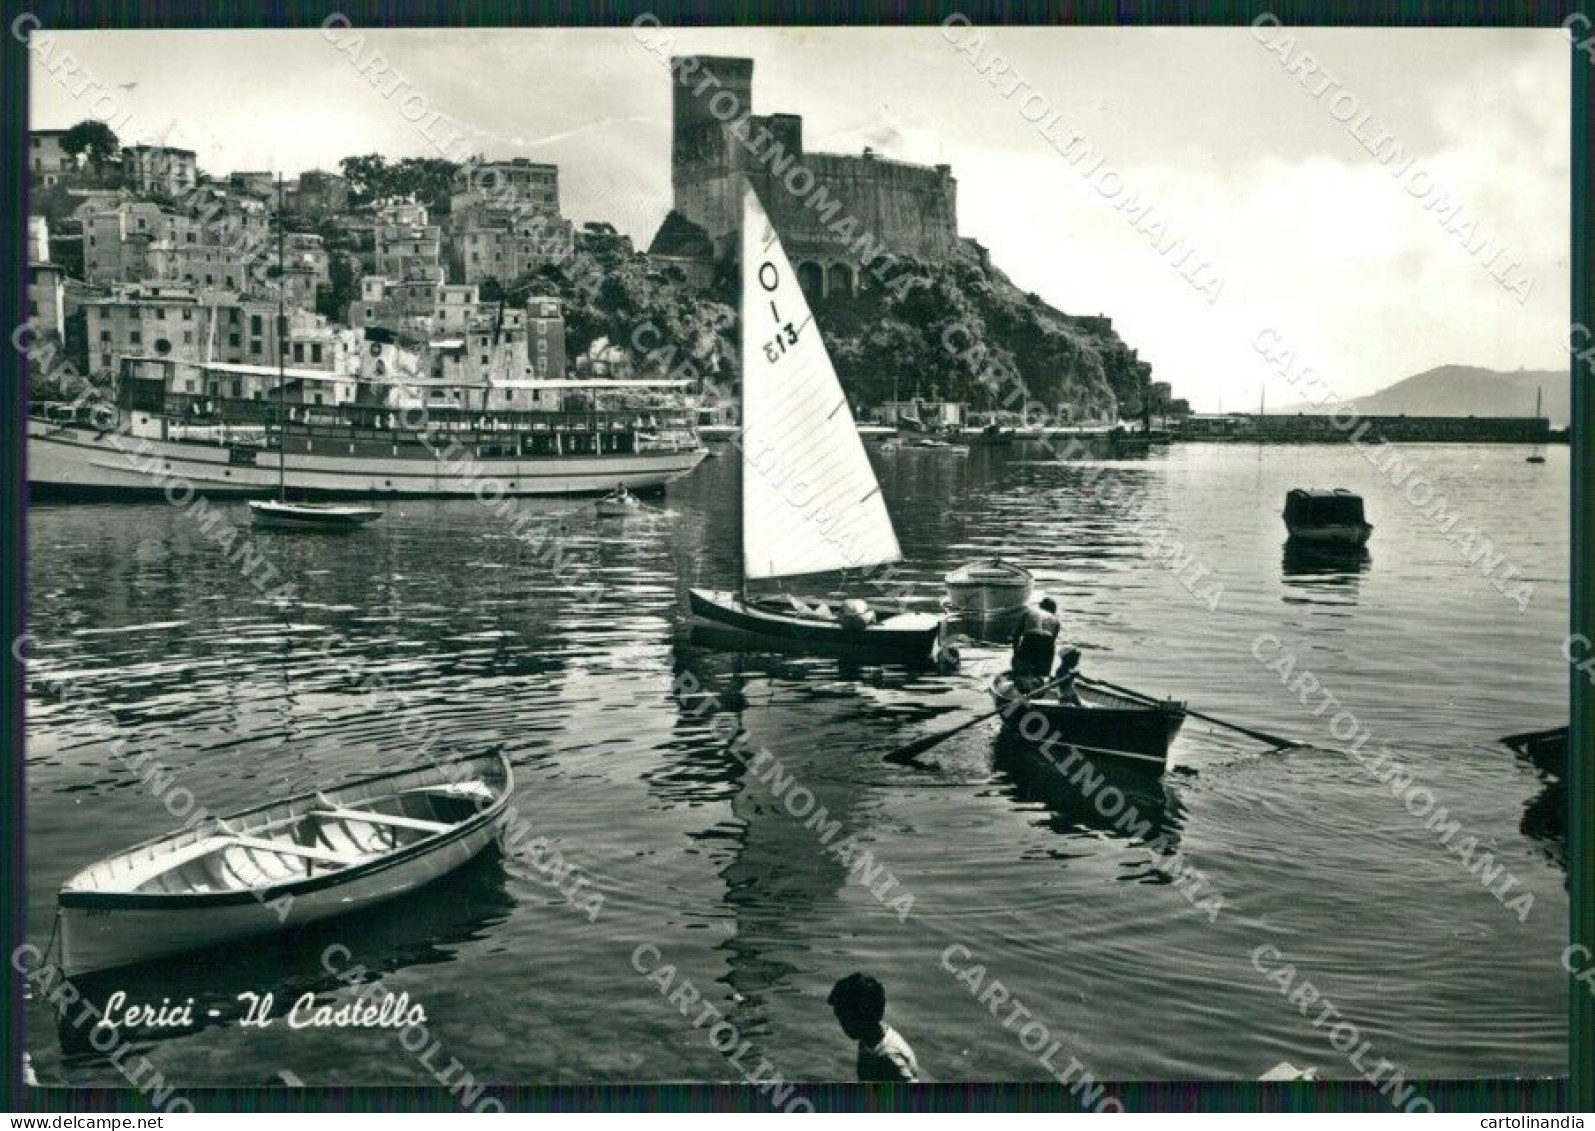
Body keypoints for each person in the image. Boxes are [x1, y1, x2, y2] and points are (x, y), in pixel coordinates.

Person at [828, 973, 920, 1083]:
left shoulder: (889, 1057)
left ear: (863, 1014)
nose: (841, 1024)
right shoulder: (870, 1034)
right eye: (839, 1017)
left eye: (844, 1018)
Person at [1010, 597, 1062, 691]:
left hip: (1030, 637)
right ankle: (1040, 684)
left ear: (1040, 606)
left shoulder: (1028, 612)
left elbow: (1015, 636)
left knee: (1021, 671)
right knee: (1042, 673)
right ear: (1053, 610)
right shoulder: (1056, 619)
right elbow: (1051, 644)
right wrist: (1046, 667)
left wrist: (1016, 655)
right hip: (1047, 640)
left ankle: (1021, 687)